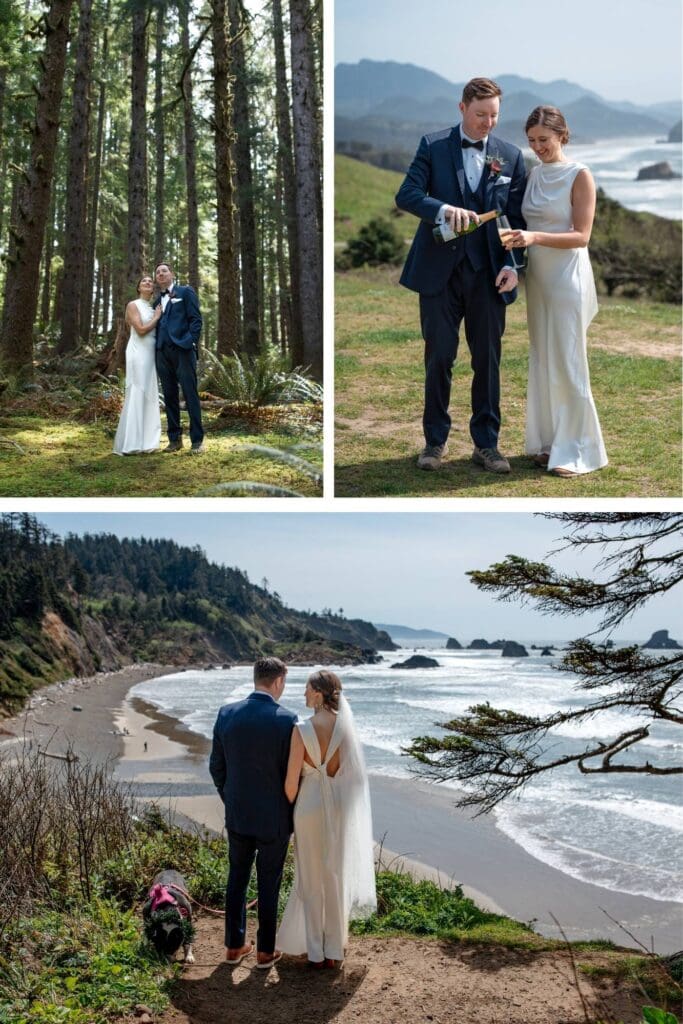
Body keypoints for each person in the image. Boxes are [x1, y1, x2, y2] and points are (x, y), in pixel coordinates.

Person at [395, 77, 527, 474]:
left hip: (488, 273)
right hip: (439, 273)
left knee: (488, 361)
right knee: (439, 358)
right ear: (462, 108)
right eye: (480, 114)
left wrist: (512, 265)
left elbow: (516, 217)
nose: (488, 123)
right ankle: (434, 443)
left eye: (494, 116)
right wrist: (441, 209)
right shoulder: (433, 146)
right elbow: (407, 195)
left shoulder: (511, 155)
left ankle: (487, 445)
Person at [503, 106, 608, 477]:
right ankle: (550, 444)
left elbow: (582, 236)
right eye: (531, 141)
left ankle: (577, 449)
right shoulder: (533, 175)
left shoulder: (580, 175)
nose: (537, 147)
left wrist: (532, 237)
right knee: (543, 358)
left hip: (567, 278)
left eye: (543, 140)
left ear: (562, 135)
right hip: (539, 281)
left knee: (567, 360)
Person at [277, 670, 376, 967]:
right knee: (335, 875)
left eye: (307, 689)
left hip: (308, 807)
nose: (304, 694)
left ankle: (316, 952)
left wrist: (289, 807)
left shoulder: (301, 730)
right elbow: (356, 780)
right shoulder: (346, 729)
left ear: (319, 693)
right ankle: (334, 950)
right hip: (338, 808)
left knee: (310, 879)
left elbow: (291, 784)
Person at [209, 657, 296, 970]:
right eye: (284, 682)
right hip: (275, 818)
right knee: (269, 882)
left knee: (237, 877)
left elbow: (216, 767)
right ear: (277, 682)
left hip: (238, 814)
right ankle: (264, 951)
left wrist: (229, 798)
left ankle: (234, 946)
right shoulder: (288, 720)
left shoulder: (226, 714)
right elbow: (292, 775)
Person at [154, 262, 205, 454]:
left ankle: (197, 441)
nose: (160, 274)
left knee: (190, 394)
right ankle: (174, 439)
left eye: (164, 271)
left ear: (172, 274)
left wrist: (190, 342)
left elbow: (196, 320)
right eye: (158, 272)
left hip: (183, 350)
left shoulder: (185, 292)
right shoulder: (156, 302)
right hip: (162, 353)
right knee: (169, 396)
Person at [112, 275, 162, 455]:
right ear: (139, 288)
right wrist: (156, 318)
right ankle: (132, 443)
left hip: (150, 354)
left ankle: (148, 442)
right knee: (138, 391)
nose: (148, 283)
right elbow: (140, 330)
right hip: (138, 352)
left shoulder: (152, 306)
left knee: (149, 393)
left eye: (150, 281)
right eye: (144, 281)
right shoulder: (133, 305)